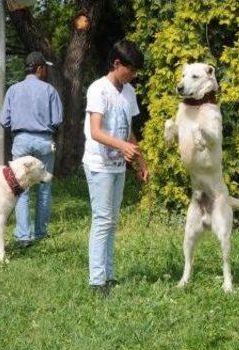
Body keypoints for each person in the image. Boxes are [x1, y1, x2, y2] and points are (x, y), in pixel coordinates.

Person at [82, 39, 149, 295]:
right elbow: (96, 132)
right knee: (102, 220)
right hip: (99, 164)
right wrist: (122, 146)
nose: (133, 75)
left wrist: (140, 160)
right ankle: (97, 281)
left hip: (118, 166)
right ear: (117, 63)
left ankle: (108, 276)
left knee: (112, 221)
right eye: (130, 70)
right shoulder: (97, 90)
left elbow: (129, 131)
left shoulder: (128, 92)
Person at [0, 51, 63, 247]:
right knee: (44, 189)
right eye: (45, 68)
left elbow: (4, 120)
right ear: (39, 68)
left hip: (21, 142)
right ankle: (41, 233)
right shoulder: (50, 91)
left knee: (21, 190)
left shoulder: (13, 90)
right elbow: (57, 120)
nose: (46, 72)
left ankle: (23, 237)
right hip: (44, 142)